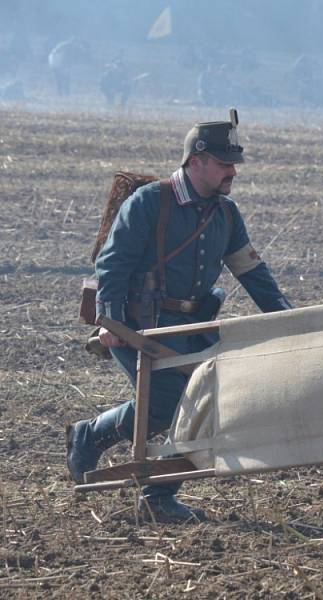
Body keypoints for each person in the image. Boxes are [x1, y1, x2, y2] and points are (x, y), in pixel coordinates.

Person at [67, 111, 292, 522]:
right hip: (139, 325)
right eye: (225, 163)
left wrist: (290, 323)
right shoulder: (151, 201)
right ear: (196, 161)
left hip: (190, 329)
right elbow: (114, 264)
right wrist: (110, 323)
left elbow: (253, 273)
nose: (233, 172)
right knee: (172, 405)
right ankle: (140, 482)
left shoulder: (226, 213)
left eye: (234, 164)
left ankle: (140, 480)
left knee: (200, 405)